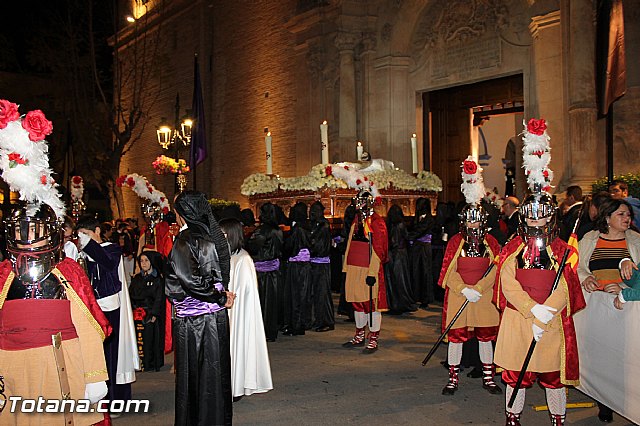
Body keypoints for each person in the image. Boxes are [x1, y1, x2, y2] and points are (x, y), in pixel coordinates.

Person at [494, 120, 585, 426]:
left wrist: (546, 312)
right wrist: (531, 310)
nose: (536, 224)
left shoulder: (563, 249)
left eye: (541, 218)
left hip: (551, 320)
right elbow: (507, 281)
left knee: (553, 376)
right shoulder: (513, 246)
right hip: (519, 320)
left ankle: (558, 419)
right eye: (531, 219)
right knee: (515, 374)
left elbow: (566, 284)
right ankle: (512, 417)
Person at [165, 190, 235, 426]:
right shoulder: (212, 236)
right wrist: (220, 297)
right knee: (214, 375)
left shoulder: (186, 240)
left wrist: (218, 297)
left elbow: (191, 280)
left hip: (195, 322)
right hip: (215, 318)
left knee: (194, 377)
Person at [439, 156, 502, 396]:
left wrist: (480, 288)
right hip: (460, 295)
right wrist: (463, 289)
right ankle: (453, 378)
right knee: (456, 338)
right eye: (469, 221)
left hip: (483, 297)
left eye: (476, 221)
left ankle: (488, 377)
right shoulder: (456, 241)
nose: (472, 225)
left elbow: (498, 267)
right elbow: (447, 269)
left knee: (485, 337)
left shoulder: (491, 242)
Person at [577, 198, 639, 422]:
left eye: (628, 214)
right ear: (607, 218)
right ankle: (604, 402)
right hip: (596, 304)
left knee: (623, 354)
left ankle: (625, 399)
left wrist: (622, 286)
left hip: (625, 305)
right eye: (621, 214)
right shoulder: (590, 238)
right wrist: (586, 278)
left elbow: (639, 274)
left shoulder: (635, 240)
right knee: (599, 353)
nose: (627, 218)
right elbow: (578, 265)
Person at [76, 215, 139, 406]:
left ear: (96, 231)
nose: (82, 240)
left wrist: (86, 244)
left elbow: (108, 263)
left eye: (86, 235)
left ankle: (114, 399)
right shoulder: (84, 253)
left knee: (111, 356)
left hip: (110, 308)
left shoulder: (111, 249)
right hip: (90, 308)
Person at [219, 218, 273, 399]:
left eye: (224, 234)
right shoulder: (227, 256)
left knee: (237, 346)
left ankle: (237, 385)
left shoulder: (243, 259)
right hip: (225, 309)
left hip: (238, 312)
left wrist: (232, 304)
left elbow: (246, 292)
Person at [342, 190, 389, 353]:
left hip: (368, 268)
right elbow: (350, 242)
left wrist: (372, 272)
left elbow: (379, 249)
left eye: (361, 201)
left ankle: (373, 337)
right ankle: (359, 334)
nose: (358, 204)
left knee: (371, 305)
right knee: (357, 303)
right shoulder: (357, 219)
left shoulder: (377, 222)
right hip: (354, 267)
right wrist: (346, 266)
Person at [246, 203, 284, 342]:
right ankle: (272, 330)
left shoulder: (262, 231)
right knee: (273, 303)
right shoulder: (278, 230)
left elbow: (253, 248)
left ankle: (262, 331)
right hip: (274, 271)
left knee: (262, 303)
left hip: (262, 273)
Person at [129, 251, 165, 372]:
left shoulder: (157, 279)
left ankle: (151, 362)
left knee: (150, 339)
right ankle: (140, 362)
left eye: (146, 260)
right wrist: (134, 309)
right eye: (141, 261)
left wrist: (154, 313)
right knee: (139, 340)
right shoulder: (137, 278)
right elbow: (131, 295)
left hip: (150, 313)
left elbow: (159, 298)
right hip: (137, 313)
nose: (143, 263)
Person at [282, 202, 312, 335]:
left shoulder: (298, 228)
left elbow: (291, 247)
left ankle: (296, 325)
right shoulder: (308, 225)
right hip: (305, 265)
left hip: (297, 265)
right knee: (303, 295)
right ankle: (301, 323)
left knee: (296, 295)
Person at [309, 201, 335, 332]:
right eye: (311, 210)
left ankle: (326, 321)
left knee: (322, 293)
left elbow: (320, 246)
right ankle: (318, 320)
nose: (312, 212)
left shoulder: (324, 225)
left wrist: (309, 247)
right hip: (314, 263)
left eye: (315, 210)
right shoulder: (315, 224)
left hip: (321, 264)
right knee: (316, 294)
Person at [384, 204, 415, 313]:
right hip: (400, 254)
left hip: (391, 254)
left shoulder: (387, 225)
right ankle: (402, 303)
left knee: (391, 280)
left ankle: (393, 303)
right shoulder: (401, 225)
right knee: (402, 280)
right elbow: (406, 237)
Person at [408, 197, 436, 309]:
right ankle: (416, 296)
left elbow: (420, 231)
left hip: (424, 247)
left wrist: (408, 237)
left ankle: (426, 298)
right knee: (415, 271)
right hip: (417, 247)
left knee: (425, 271)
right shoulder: (417, 217)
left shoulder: (429, 219)